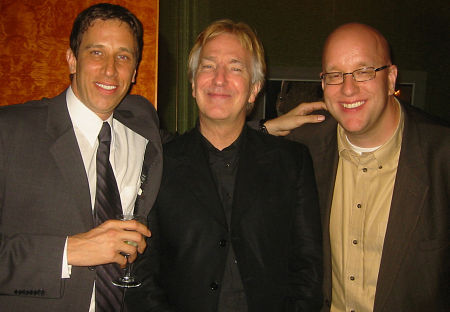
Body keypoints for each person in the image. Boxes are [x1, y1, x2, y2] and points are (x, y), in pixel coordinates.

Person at [126, 19, 323, 312]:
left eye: (235, 67)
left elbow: (308, 269)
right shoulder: (158, 162)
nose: (219, 79)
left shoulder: (292, 163)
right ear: (193, 84)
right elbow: (142, 272)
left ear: (254, 89)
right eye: (208, 66)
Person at [265, 23, 449, 312]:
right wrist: (265, 130)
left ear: (391, 79)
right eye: (335, 75)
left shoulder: (442, 157)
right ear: (323, 84)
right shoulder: (303, 148)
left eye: (364, 71)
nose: (348, 89)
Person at [0, 3, 162, 312]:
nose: (110, 70)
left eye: (123, 57)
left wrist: (265, 127)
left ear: (135, 71)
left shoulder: (142, 124)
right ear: (72, 59)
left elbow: (198, 147)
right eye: (96, 52)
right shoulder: (9, 132)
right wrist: (68, 251)